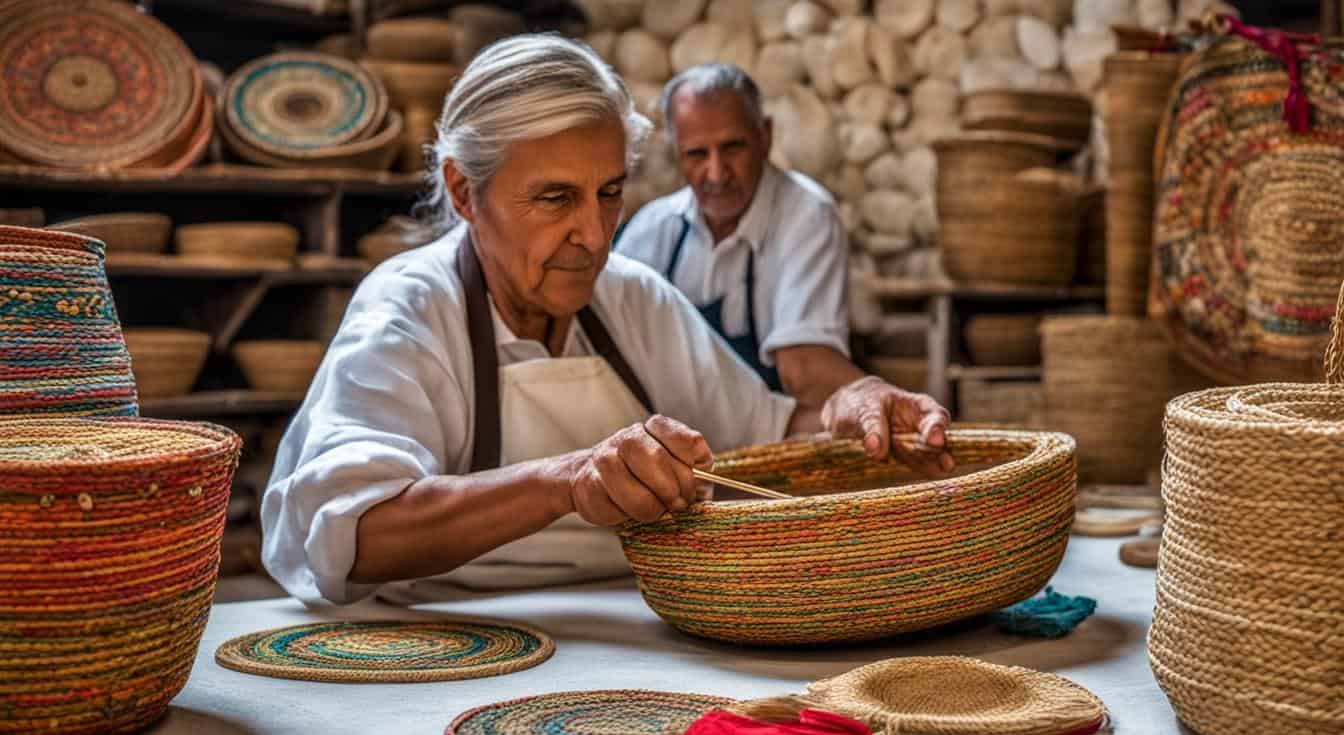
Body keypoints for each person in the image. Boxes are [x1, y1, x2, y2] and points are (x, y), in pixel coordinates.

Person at [260, 35, 953, 607]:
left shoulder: (630, 299)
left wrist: (850, 409)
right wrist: (567, 482)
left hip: (630, 619)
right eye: (556, 198)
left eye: (610, 192)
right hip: (439, 636)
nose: (594, 234)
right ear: (465, 192)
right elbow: (353, 533)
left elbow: (764, 437)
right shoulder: (407, 311)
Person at [616, 63, 863, 405]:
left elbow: (803, 368)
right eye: (697, 154)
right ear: (676, 152)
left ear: (765, 136)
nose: (716, 173)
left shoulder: (806, 213)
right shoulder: (653, 229)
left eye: (732, 147)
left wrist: (878, 398)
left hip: (774, 442)